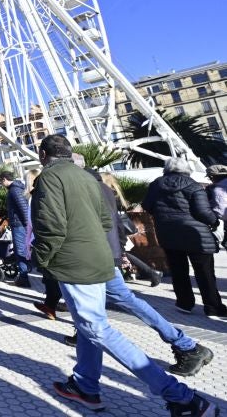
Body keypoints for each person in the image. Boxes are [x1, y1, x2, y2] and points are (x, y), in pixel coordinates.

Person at [31, 135, 218, 416]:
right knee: (91, 325)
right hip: (101, 259)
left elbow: (50, 226)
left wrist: (41, 259)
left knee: (96, 328)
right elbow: (107, 220)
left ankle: (182, 397)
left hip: (74, 264)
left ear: (42, 153)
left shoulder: (49, 178)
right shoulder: (89, 179)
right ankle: (85, 386)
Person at [142, 157, 226, 319]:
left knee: (178, 270)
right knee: (205, 272)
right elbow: (203, 212)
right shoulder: (193, 185)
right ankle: (213, 307)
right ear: (187, 169)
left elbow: (147, 206)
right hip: (196, 235)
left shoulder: (155, 185)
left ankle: (184, 303)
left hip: (169, 234)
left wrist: (164, 217)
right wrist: (214, 222)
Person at [99, 171, 162, 286]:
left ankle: (151, 273)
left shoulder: (107, 194)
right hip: (119, 228)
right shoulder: (116, 193)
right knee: (124, 253)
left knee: (123, 253)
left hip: (115, 229)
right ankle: (150, 273)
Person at [0, 170, 31, 288]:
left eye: (1, 181)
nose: (1, 184)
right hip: (20, 224)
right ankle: (24, 275)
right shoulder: (17, 188)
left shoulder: (14, 190)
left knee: (20, 251)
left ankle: (24, 279)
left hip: (19, 226)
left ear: (4, 179)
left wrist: (27, 225)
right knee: (23, 250)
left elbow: (23, 207)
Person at [205, 164, 227, 249]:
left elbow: (221, 212)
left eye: (210, 177)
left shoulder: (216, 189)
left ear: (213, 176)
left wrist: (213, 220)